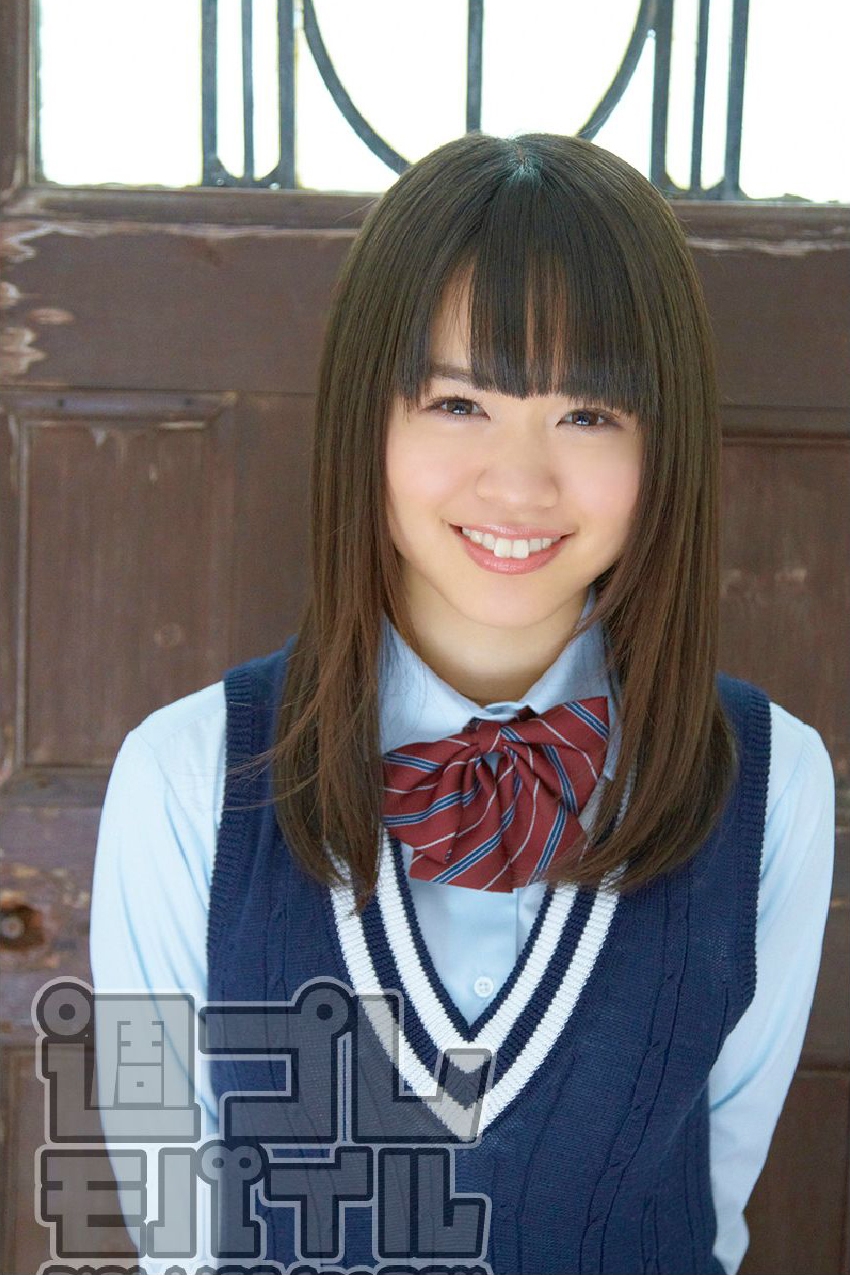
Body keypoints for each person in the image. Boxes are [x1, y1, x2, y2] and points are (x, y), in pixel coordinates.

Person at [90, 131, 835, 1275]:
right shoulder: (184, 777)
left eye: (588, 415)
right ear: (367, 419)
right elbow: (170, 1220)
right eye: (457, 403)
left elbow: (710, 1196)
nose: (518, 483)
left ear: (666, 444)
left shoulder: (770, 781)